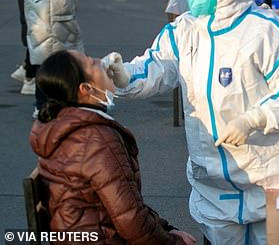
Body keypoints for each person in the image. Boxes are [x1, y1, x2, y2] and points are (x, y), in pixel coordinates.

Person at [103, 0, 279, 245]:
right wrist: (123, 76)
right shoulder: (186, 30)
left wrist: (252, 120)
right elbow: (156, 66)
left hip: (272, 174)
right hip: (214, 183)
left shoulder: (266, 31)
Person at [29, 50, 197, 245]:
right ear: (86, 89)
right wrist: (172, 241)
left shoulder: (62, 123)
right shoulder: (97, 140)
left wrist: (165, 228)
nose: (103, 63)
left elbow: (126, 206)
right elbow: (130, 220)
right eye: (93, 63)